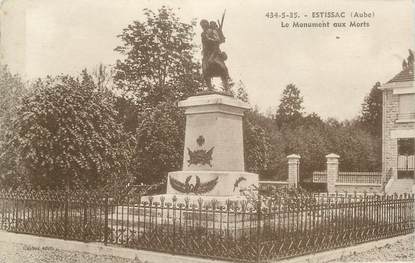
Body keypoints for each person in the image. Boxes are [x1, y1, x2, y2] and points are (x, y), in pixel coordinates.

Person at [200, 19, 231, 91]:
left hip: (214, 52)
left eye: (204, 24)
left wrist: (211, 40)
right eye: (202, 25)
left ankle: (226, 88)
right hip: (206, 53)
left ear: (207, 24)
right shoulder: (203, 34)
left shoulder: (212, 31)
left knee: (222, 69)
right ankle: (209, 87)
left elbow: (218, 41)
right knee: (205, 70)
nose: (203, 26)